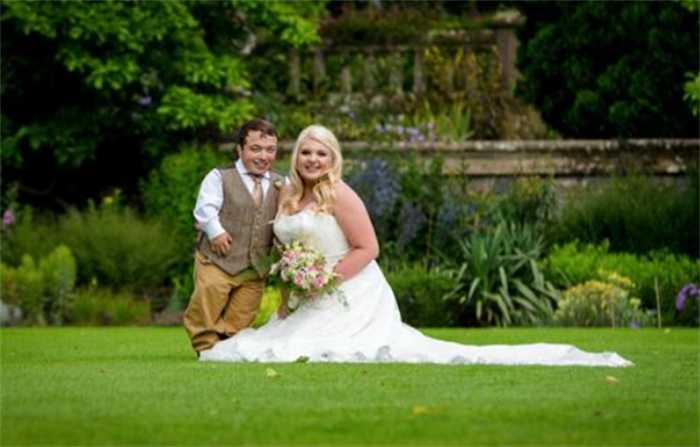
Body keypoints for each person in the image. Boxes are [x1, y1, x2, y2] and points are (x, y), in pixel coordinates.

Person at [199, 125, 632, 367]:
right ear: (296, 157)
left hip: (350, 290)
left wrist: (323, 280)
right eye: (306, 153)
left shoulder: (341, 194)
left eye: (321, 154)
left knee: (318, 350)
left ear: (333, 159)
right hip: (306, 294)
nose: (313, 160)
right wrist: (289, 295)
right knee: (274, 342)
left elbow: (368, 248)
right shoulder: (289, 195)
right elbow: (286, 255)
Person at [183, 119, 284, 355]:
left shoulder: (281, 182)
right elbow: (205, 208)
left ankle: (227, 348)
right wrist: (215, 231)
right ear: (240, 149)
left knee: (242, 314)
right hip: (218, 260)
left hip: (255, 266)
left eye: (270, 150)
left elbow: (286, 215)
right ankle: (205, 346)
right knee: (207, 304)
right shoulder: (220, 176)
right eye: (256, 149)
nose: (263, 156)